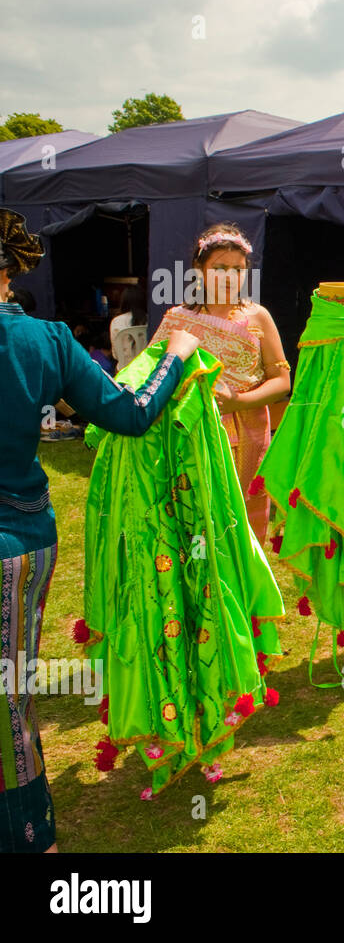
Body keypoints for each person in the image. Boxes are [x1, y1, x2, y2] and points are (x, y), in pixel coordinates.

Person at [0, 208, 199, 852]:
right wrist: (175, 355)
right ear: (9, 277)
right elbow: (131, 414)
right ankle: (31, 838)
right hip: (16, 539)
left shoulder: (44, 340)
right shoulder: (46, 341)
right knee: (7, 696)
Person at [150, 223, 291, 542]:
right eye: (220, 268)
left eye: (237, 269)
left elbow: (281, 381)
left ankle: (242, 586)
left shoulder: (258, 317)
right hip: (192, 429)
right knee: (195, 516)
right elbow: (155, 375)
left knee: (238, 525)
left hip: (248, 432)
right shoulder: (178, 318)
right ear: (199, 270)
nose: (229, 276)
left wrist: (239, 402)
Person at [109, 283, 148, 370]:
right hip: (146, 371)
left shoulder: (116, 321)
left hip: (123, 372)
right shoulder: (150, 320)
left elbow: (115, 355)